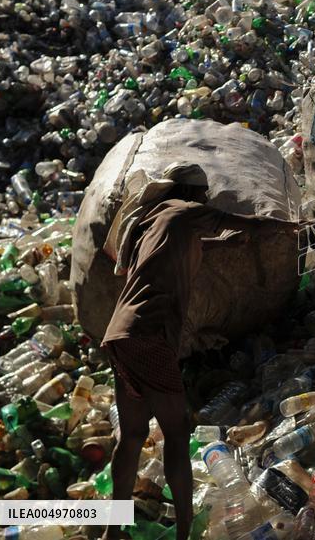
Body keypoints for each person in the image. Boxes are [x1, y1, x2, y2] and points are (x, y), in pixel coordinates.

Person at [100, 171, 250, 540]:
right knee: (177, 432)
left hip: (120, 333)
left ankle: (112, 531)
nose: (205, 198)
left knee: (133, 435)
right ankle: (184, 532)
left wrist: (224, 243)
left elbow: (186, 247)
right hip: (149, 335)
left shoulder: (151, 222)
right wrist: (280, 225)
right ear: (189, 191)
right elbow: (239, 221)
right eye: (202, 193)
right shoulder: (183, 210)